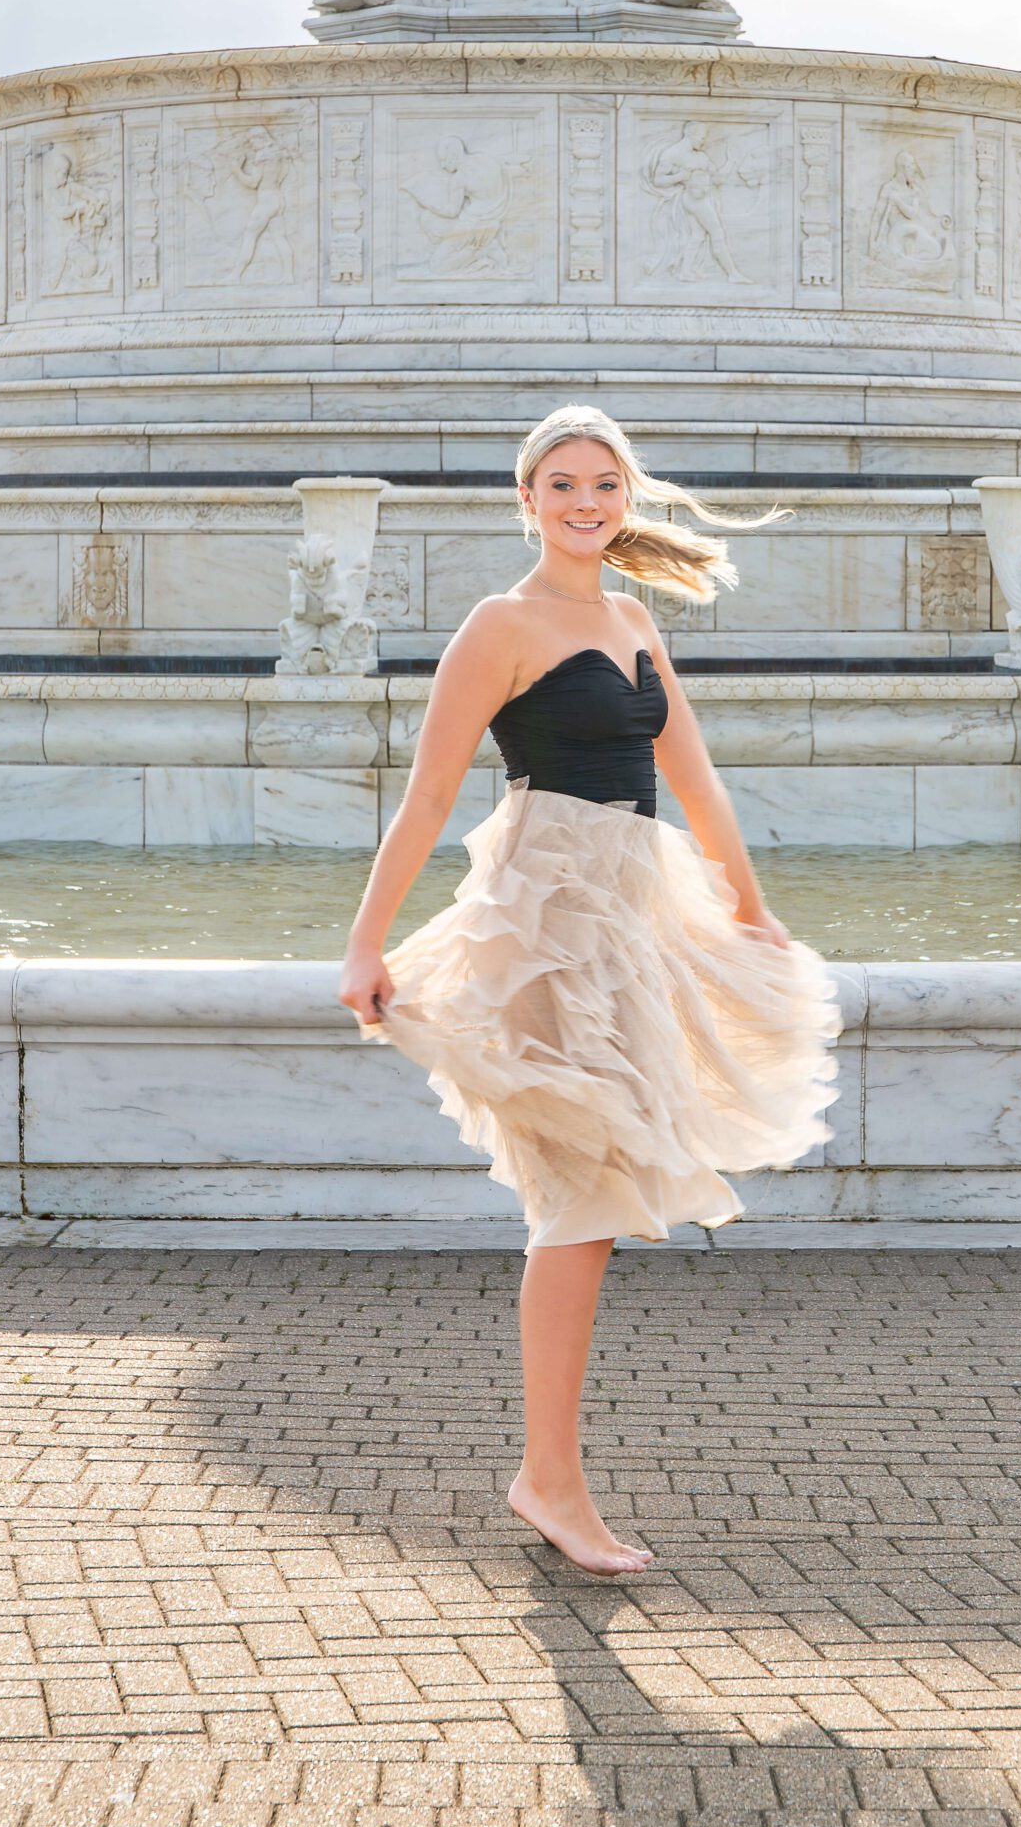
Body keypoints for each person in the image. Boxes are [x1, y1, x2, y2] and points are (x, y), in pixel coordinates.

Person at [339, 405, 843, 1576]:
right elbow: (425, 799)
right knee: (581, 1196)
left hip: (631, 917)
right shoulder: (498, 625)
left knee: (596, 1203)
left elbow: (699, 782)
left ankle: (547, 1475)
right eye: (561, 483)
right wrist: (366, 944)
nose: (584, 500)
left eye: (604, 483)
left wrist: (753, 912)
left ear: (626, 499)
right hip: (547, 919)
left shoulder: (630, 620)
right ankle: (550, 1481)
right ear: (526, 500)